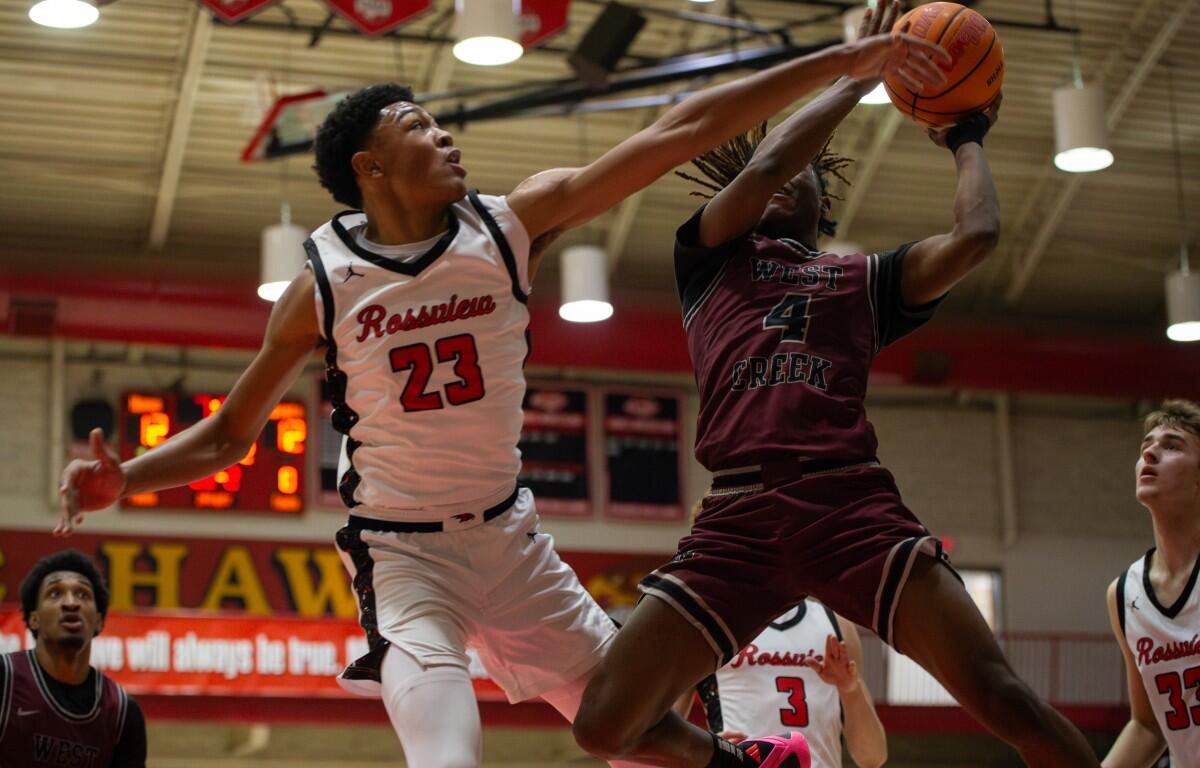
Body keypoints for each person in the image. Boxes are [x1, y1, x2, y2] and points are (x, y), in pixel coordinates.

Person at [54, 16, 949, 768]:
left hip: (512, 543)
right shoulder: (323, 282)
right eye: (418, 123)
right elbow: (228, 438)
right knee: (449, 755)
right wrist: (123, 479)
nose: (445, 134)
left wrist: (841, 63)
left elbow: (675, 132)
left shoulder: (509, 224)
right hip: (405, 560)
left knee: (635, 723)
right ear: (369, 166)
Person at [572, 1, 1103, 765]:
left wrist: (965, 136)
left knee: (1003, 697)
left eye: (809, 176)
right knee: (603, 725)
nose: (791, 181)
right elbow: (763, 166)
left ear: (828, 202)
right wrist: (857, 76)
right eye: (789, 169)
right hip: (737, 517)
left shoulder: (865, 279)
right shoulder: (710, 261)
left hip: (850, 506)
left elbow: (977, 235)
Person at [1103, 399, 1200, 768]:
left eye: (1172, 445)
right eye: (1146, 448)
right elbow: (1147, 725)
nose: (1152, 453)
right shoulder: (1125, 594)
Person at [675, 600, 886, 768]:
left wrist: (850, 689)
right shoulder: (711, 623)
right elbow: (661, 732)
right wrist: (704, 751)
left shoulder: (836, 624)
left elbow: (873, 758)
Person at [1, 549, 146, 767]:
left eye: (83, 594)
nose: (71, 603)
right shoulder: (5, 680)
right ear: (34, 618)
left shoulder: (121, 712)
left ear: (98, 621)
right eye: (55, 593)